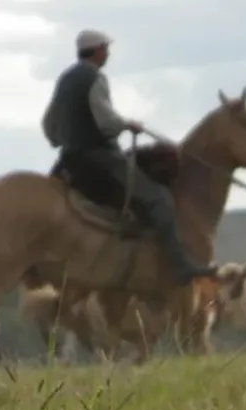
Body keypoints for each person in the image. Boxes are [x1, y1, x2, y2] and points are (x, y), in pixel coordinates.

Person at [41, 28, 217, 285]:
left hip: (69, 158)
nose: (108, 53)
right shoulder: (95, 78)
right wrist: (126, 125)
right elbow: (105, 120)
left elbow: (49, 123)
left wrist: (62, 140)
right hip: (99, 157)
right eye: (106, 49)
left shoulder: (65, 79)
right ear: (98, 50)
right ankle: (180, 265)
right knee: (159, 199)